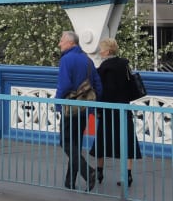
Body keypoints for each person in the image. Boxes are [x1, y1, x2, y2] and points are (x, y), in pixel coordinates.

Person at [54, 30, 102, 190]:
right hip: (84, 108)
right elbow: (97, 85)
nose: (59, 43)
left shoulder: (66, 59)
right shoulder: (87, 60)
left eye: (61, 41)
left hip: (70, 107)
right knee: (75, 144)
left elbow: (65, 85)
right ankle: (69, 182)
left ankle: (88, 172)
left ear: (70, 42)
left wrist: (57, 103)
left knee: (66, 143)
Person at [91, 38, 142, 187]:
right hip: (123, 106)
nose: (100, 52)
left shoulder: (103, 68)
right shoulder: (124, 64)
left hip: (108, 109)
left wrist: (98, 109)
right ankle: (128, 174)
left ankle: (99, 171)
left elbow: (102, 91)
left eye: (102, 49)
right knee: (127, 140)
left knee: (102, 139)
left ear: (107, 51)